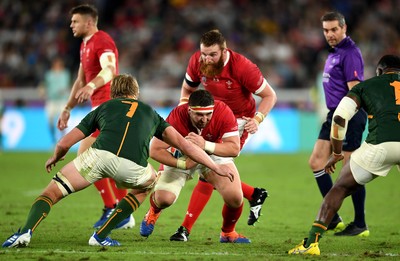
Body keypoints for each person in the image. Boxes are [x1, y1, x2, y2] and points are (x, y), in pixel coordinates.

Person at [2, 74, 235, 248]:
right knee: (149, 183)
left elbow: (66, 141)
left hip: (97, 158)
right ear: (137, 93)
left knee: (52, 192)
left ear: (113, 93)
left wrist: (56, 156)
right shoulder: (151, 113)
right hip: (133, 166)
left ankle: (25, 232)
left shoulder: (104, 107)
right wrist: (215, 166)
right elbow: (185, 145)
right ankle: (101, 236)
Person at [169, 29, 277, 241]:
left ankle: (185, 229)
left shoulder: (243, 67)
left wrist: (257, 119)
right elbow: (187, 89)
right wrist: (184, 114)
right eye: (204, 54)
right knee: (208, 168)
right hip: (207, 117)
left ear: (224, 51)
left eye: (212, 55)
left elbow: (269, 95)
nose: (207, 59)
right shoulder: (197, 61)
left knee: (207, 167)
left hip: (236, 122)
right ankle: (253, 195)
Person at [288, 54, 400, 255]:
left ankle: (311, 244)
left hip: (379, 145)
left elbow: (339, 118)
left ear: (380, 71)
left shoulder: (366, 86)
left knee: (339, 188)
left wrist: (337, 153)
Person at [57, 4, 134, 229]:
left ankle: (113, 208)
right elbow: (80, 80)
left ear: (88, 22)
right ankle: (122, 211)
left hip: (109, 106)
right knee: (106, 162)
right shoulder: (85, 45)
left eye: (75, 21)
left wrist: (92, 86)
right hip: (101, 107)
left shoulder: (103, 41)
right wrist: (68, 107)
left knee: (86, 157)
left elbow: (109, 69)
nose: (71, 25)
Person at [140, 89, 250, 243]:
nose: (204, 119)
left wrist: (205, 144)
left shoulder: (223, 112)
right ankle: (154, 210)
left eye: (208, 114)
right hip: (182, 154)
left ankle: (228, 233)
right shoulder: (177, 117)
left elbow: (234, 149)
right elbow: (154, 150)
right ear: (189, 110)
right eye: (199, 115)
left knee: (235, 197)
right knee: (165, 199)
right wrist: (182, 164)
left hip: (212, 152)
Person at [307, 11, 368, 236]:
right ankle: (333, 219)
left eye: (334, 29)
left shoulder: (350, 52)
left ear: (344, 28)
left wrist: (351, 117)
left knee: (350, 172)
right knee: (316, 161)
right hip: (334, 114)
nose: (330, 34)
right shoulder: (334, 53)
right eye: (326, 30)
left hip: (349, 115)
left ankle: (360, 223)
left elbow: (354, 89)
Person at [39, 57, 71, 144]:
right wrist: (42, 91)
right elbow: (43, 85)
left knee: (63, 121)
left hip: (62, 101)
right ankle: (53, 139)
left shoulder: (65, 74)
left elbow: (66, 86)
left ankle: (63, 141)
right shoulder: (49, 75)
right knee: (50, 121)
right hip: (51, 101)